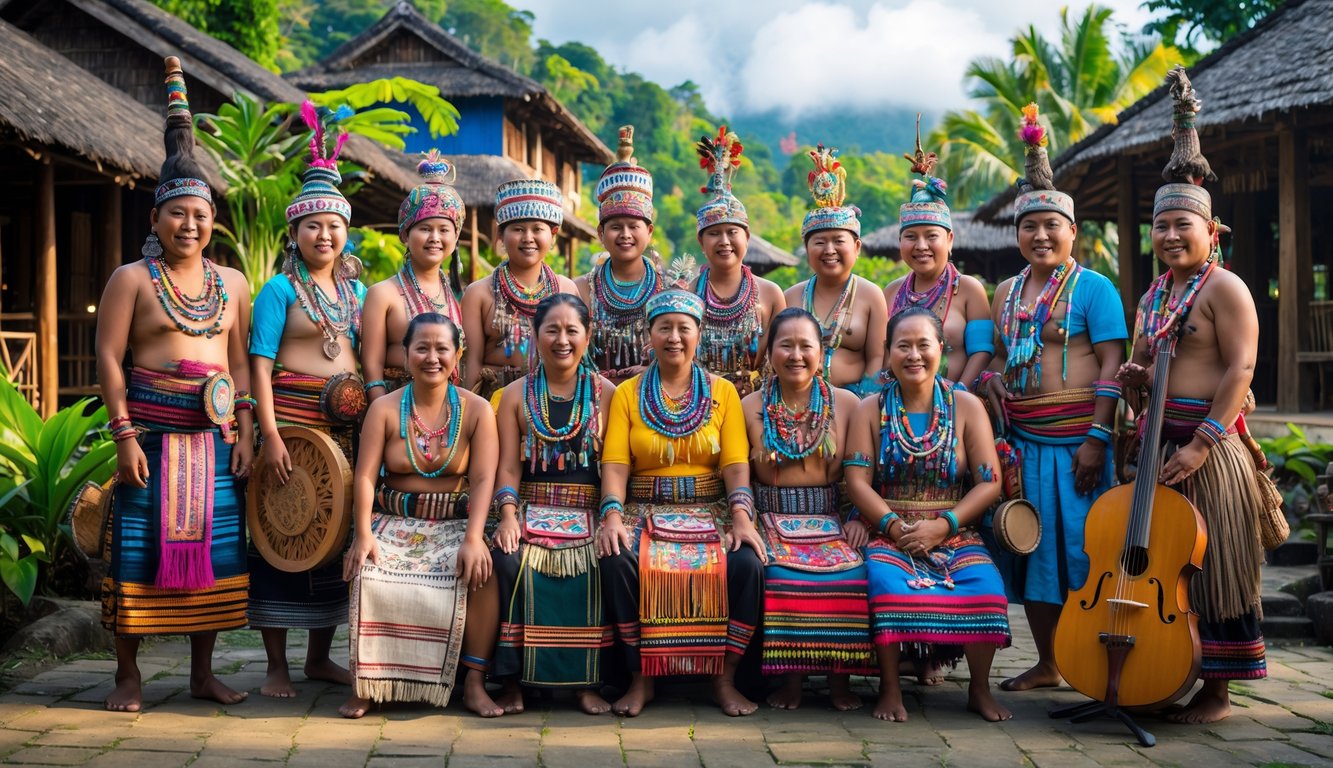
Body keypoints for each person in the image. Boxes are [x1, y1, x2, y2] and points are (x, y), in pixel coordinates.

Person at [96, 57, 254, 712]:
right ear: (157, 218)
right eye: (179, 214)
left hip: (214, 440)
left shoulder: (234, 284)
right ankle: (127, 676)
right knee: (134, 550)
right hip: (152, 439)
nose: (191, 225)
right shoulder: (131, 279)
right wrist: (124, 434)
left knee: (217, 551)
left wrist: (243, 427)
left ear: (212, 221)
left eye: (202, 214)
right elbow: (108, 358)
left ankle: (201, 672)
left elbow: (240, 361)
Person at [1118, 67, 1267, 724]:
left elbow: (1238, 369)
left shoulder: (1224, 290)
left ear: (1211, 233)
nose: (1170, 236)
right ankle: (1166, 670)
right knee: (1162, 571)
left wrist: (1204, 445)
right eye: (1161, 228)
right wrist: (1132, 385)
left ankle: (1218, 692)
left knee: (1216, 568)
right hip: (1158, 445)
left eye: (1183, 225)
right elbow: (1142, 366)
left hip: (1209, 446)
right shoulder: (1155, 296)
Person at [979, 104, 1127, 693]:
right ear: (1016, 234)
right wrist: (986, 378)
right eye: (1029, 227)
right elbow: (993, 353)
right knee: (1034, 555)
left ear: (1073, 232)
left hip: (1079, 446)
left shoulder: (1094, 288)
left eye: (1051, 227)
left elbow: (1114, 363)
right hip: (1022, 445)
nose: (1041, 236)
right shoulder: (1006, 291)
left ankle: (1092, 660)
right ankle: (1048, 662)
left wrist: (1098, 436)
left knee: (1084, 553)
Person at [596, 269, 767, 717]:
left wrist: (743, 518)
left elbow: (734, 465)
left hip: (709, 507)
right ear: (649, 334)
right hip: (643, 506)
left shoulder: (723, 393)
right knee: (618, 559)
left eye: (683, 328)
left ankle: (724, 678)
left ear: (699, 334)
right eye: (664, 327)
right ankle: (641, 677)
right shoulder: (628, 394)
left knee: (747, 561)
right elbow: (615, 463)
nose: (674, 337)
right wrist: (612, 515)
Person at [844, 307, 1010, 722]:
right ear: (888, 352)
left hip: (954, 530)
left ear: (942, 349)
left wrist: (945, 525)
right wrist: (894, 527)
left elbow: (989, 481)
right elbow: (857, 481)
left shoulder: (966, 406)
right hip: (888, 530)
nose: (914, 355)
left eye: (924, 345)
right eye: (903, 345)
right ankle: (890, 688)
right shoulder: (870, 409)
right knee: (885, 586)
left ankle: (979, 689)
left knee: (987, 589)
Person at [340, 313, 503, 718]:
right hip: (394, 518)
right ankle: (367, 684)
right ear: (406, 354)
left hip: (456, 522)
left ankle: (475, 684)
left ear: (458, 354)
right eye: (422, 348)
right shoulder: (383, 408)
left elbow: (484, 479)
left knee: (482, 569)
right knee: (368, 569)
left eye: (442, 348)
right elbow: (364, 476)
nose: (432, 357)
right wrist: (362, 533)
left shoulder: (478, 410)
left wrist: (474, 538)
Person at [740, 308, 873, 711]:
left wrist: (859, 520)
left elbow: (863, 473)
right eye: (785, 345)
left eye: (806, 346)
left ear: (821, 352)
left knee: (853, 574)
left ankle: (839, 681)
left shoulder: (849, 404)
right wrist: (746, 522)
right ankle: (791, 682)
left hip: (833, 519)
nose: (795, 355)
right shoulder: (748, 406)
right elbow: (740, 475)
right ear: (769, 352)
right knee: (779, 575)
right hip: (769, 519)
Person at [491, 294, 617, 715]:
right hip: (529, 506)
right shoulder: (513, 396)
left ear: (588, 335)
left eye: (572, 330)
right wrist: (508, 516)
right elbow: (507, 468)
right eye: (552, 330)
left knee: (600, 561)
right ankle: (513, 683)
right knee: (507, 560)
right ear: (535, 335)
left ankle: (586, 682)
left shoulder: (607, 395)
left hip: (589, 509)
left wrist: (608, 518)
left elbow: (615, 468)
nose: (562, 340)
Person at [883, 124, 993, 389]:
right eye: (910, 237)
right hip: (899, 404)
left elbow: (982, 351)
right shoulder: (891, 292)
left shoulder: (968, 290)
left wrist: (958, 393)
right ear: (900, 243)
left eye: (931, 236)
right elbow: (884, 356)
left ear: (950, 240)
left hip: (956, 402)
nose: (921, 245)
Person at [361, 150, 466, 401]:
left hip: (449, 409)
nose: (435, 238)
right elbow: (370, 367)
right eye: (425, 229)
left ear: (455, 237)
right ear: (406, 235)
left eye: (444, 229)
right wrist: (381, 415)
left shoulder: (459, 295)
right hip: (396, 406)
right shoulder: (382, 294)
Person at [460, 179, 578, 401]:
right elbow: (470, 366)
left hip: (553, 403)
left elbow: (579, 359)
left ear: (553, 236)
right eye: (518, 229)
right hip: (493, 405)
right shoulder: (479, 294)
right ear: (501, 236)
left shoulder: (566, 289)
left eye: (537, 229)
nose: (528, 238)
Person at [784, 145, 887, 396]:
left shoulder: (871, 295)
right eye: (819, 242)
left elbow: (878, 358)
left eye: (839, 241)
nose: (829, 249)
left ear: (857, 247)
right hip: (800, 400)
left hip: (857, 400)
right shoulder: (790, 297)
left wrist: (863, 403)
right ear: (806, 249)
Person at [692, 126, 786, 397]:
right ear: (701, 242)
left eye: (732, 232)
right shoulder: (688, 293)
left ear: (747, 238)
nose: (724, 241)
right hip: (701, 405)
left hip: (756, 402)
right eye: (713, 233)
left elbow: (780, 356)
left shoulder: (769, 294)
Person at [575, 126, 664, 385]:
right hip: (594, 399)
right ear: (601, 234)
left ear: (648, 232)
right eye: (615, 227)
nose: (625, 234)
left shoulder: (668, 288)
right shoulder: (581, 290)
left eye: (634, 226)